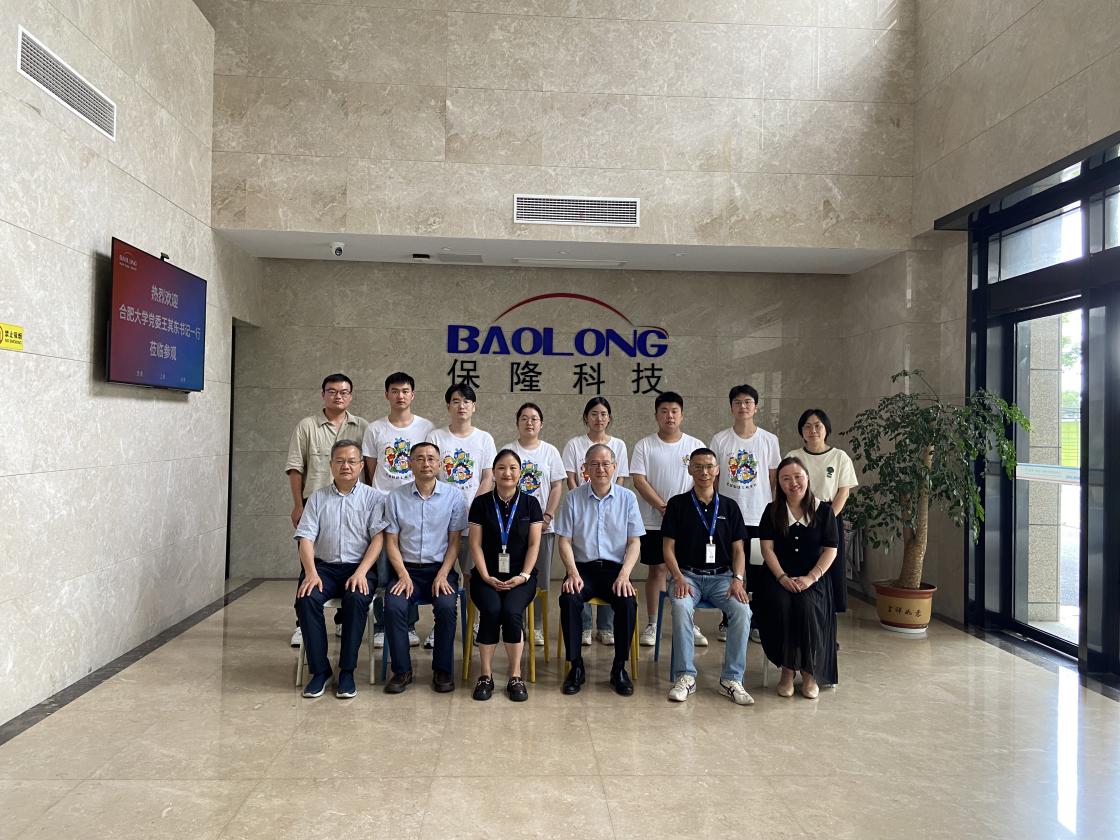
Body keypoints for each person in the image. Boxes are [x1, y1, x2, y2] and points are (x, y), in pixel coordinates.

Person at [293, 440, 385, 699]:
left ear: (361, 465)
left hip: (360, 567)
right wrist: (311, 573)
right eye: (340, 461)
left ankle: (347, 670)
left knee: (356, 599)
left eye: (352, 461)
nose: (346, 466)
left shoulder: (373, 497)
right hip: (323, 568)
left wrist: (362, 572)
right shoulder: (317, 498)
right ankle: (320, 671)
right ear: (331, 465)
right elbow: (305, 539)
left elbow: (378, 539)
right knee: (307, 598)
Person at [662, 448, 754, 705]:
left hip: (723, 578)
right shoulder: (678, 504)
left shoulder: (730, 506)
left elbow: (739, 549)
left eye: (709, 466)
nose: (704, 472)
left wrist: (738, 579)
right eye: (698, 466)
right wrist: (678, 577)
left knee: (742, 611)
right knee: (681, 607)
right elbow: (667, 548)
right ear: (690, 469)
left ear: (717, 470)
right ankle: (686, 676)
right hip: (687, 576)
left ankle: (732, 679)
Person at [285, 374, 369, 647]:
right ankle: (303, 624)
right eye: (332, 391)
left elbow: (368, 468)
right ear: (323, 394)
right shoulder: (307, 426)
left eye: (344, 392)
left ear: (351, 396)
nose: (338, 396)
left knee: (352, 562)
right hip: (315, 503)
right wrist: (298, 504)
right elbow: (296, 467)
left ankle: (344, 621)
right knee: (311, 565)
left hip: (354, 502)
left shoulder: (363, 427)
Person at [555, 444, 644, 696]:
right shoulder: (573, 498)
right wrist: (572, 573)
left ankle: (619, 668)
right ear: (585, 468)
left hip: (615, 570)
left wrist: (625, 575)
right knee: (569, 598)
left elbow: (634, 542)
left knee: (627, 602)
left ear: (614, 467)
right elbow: (564, 541)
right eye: (594, 464)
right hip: (582, 568)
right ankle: (576, 666)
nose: (600, 469)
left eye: (606, 464)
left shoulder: (627, 498)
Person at [382, 441, 468, 694]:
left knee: (446, 606)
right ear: (410, 464)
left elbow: (455, 542)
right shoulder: (395, 497)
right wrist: (402, 574)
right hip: (405, 570)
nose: (426, 463)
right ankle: (401, 670)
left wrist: (443, 573)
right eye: (419, 458)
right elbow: (391, 542)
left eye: (431, 458)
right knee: (394, 606)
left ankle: (442, 669)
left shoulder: (454, 496)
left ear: (439, 464)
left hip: (440, 569)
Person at [755, 456, 839, 699]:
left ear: (808, 479)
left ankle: (809, 672)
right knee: (781, 605)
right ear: (779, 483)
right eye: (786, 478)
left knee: (808, 607)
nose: (793, 483)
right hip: (777, 577)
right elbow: (767, 549)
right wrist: (782, 577)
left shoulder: (824, 511)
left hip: (813, 578)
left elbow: (831, 550)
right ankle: (787, 670)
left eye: (798, 477)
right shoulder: (772, 511)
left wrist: (811, 578)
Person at [630, 391, 705, 648]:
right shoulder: (645, 445)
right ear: (656, 415)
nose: (669, 416)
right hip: (653, 520)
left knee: (687, 572)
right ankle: (654, 623)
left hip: (688, 521)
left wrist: (679, 510)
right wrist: (664, 507)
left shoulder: (695, 445)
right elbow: (639, 480)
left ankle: (688, 622)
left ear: (682, 415)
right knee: (658, 569)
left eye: (674, 411)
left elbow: (703, 479)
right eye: (664, 411)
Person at [362, 372, 431, 649]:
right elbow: (370, 471)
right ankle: (381, 625)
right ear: (386, 394)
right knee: (383, 568)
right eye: (394, 391)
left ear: (412, 394)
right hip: (383, 506)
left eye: (405, 391)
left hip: (415, 504)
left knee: (409, 563)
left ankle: (409, 625)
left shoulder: (426, 427)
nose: (400, 396)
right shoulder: (375, 429)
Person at [467, 450, 543, 702]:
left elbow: (534, 544)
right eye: (501, 468)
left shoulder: (531, 504)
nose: (507, 473)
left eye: (512, 468)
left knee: (511, 612)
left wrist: (524, 575)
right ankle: (485, 675)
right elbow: (475, 545)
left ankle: (515, 675)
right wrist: (486, 576)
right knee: (491, 611)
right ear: (493, 472)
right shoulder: (481, 503)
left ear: (520, 472)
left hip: (521, 577)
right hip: (486, 576)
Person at [426, 383, 496, 647]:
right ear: (448, 406)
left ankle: (474, 625)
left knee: (470, 576)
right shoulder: (436, 436)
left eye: (467, 401)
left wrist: (474, 507)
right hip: (439, 519)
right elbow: (430, 472)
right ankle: (440, 627)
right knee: (440, 573)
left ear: (474, 407)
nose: (461, 406)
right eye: (456, 401)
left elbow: (487, 476)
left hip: (472, 520)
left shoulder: (484, 439)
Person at [709, 384, 780, 641]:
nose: (743, 407)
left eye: (748, 402)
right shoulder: (720, 439)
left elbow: (773, 478)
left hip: (759, 517)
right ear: (731, 407)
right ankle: (728, 620)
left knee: (758, 572)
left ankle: (756, 621)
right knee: (728, 571)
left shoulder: (769, 440)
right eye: (738, 402)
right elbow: (715, 478)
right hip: (728, 518)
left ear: (756, 407)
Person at [785, 408, 858, 637]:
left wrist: (825, 520)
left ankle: (827, 635)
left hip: (829, 517)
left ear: (826, 429)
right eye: (807, 426)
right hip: (798, 518)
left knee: (829, 573)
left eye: (818, 425)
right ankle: (799, 629)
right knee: (801, 569)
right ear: (801, 431)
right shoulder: (794, 455)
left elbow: (843, 492)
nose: (813, 430)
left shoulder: (839, 457)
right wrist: (803, 518)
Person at [562, 397, 627, 649]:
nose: (599, 418)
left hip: (611, 506)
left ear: (609, 418)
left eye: (603, 414)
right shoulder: (574, 444)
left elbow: (619, 478)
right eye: (593, 413)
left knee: (610, 558)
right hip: (582, 506)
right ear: (585, 418)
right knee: (584, 560)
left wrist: (609, 499)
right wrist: (582, 500)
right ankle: (586, 626)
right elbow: (571, 477)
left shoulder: (618, 444)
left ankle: (606, 627)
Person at [502, 402, 564, 646]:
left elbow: (557, 486)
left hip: (543, 527)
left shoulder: (550, 451)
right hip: (511, 529)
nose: (529, 422)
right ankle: (515, 622)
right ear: (517, 422)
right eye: (524, 418)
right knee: (511, 574)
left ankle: (536, 626)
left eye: (534, 418)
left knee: (540, 580)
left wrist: (547, 516)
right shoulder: (508, 449)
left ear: (541, 424)